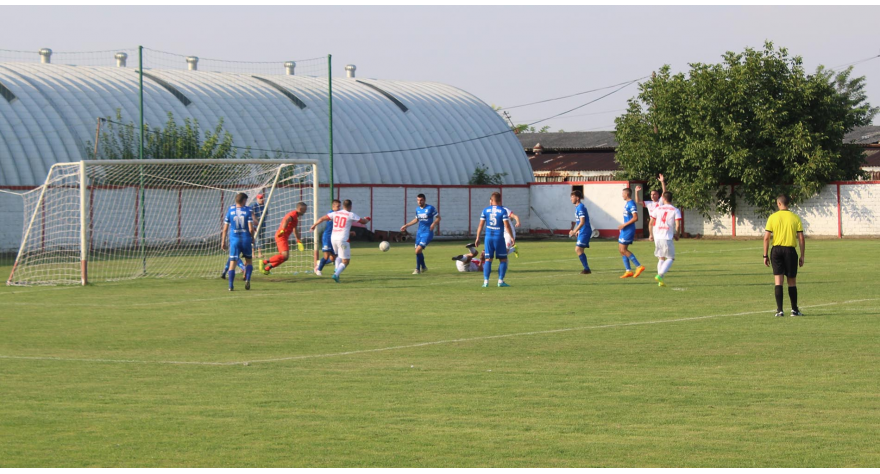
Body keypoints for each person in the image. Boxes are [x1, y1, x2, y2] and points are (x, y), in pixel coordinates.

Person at [763, 194, 805, 317]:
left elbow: (766, 238)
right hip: (790, 251)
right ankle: (794, 310)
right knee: (791, 281)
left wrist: (765, 255)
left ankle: (780, 310)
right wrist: (802, 255)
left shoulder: (773, 217)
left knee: (778, 281)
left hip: (776, 251)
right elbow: (801, 238)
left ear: (779, 204)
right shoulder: (795, 217)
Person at [310, 199, 371, 283]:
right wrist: (368, 218)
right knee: (346, 261)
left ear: (343, 206)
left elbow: (322, 218)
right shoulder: (351, 214)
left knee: (337, 255)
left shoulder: (335, 213)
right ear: (350, 206)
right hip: (343, 239)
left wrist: (314, 225)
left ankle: (336, 269)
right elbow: (363, 222)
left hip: (333, 238)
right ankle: (336, 274)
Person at [473, 192, 515, 287]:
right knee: (503, 259)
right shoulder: (503, 211)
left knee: (488, 259)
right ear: (500, 201)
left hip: (488, 238)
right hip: (498, 238)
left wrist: (477, 238)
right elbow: (507, 225)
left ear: (491, 201)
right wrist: (512, 237)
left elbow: (480, 225)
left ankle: (485, 282)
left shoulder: (485, 210)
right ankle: (500, 281)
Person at [220, 193, 255, 291]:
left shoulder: (230, 210)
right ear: (243, 200)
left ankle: (231, 286)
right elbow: (251, 229)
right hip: (246, 239)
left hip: (234, 240)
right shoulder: (248, 210)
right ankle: (247, 279)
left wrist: (223, 241)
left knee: (232, 263)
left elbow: (225, 229)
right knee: (249, 261)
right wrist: (252, 237)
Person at [261, 202, 307, 275]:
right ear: (300, 209)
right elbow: (286, 220)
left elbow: (295, 230)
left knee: (284, 258)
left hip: (284, 237)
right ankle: (264, 262)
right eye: (305, 210)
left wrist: (298, 241)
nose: (305, 211)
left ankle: (267, 268)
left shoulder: (296, 218)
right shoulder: (293, 214)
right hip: (281, 236)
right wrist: (283, 229)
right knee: (285, 256)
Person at [400, 193, 440, 274]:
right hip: (419, 233)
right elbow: (416, 220)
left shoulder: (430, 208)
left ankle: (417, 269)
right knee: (418, 251)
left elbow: (439, 218)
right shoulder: (417, 209)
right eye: (418, 200)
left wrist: (433, 224)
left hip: (427, 232)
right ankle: (424, 267)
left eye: (421, 200)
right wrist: (406, 225)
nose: (419, 202)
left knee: (418, 250)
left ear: (424, 200)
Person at [650, 191, 681, 287]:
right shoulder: (675, 210)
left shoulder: (658, 209)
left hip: (657, 236)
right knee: (671, 257)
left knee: (661, 257)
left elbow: (651, 223)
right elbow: (678, 224)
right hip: (667, 236)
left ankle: (660, 281)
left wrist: (651, 234)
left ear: (663, 198)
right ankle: (660, 275)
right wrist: (677, 234)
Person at [618, 187, 646, 279]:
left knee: (624, 249)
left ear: (626, 194)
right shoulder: (627, 204)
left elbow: (635, 218)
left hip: (628, 229)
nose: (622, 195)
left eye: (623, 194)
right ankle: (628, 271)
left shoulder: (631, 203)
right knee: (621, 250)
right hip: (625, 229)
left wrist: (624, 225)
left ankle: (639, 266)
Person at [635, 174, 667, 240]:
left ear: (658, 195)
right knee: (657, 243)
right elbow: (638, 201)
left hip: (661, 224)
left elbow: (664, 193)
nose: (652, 196)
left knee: (662, 241)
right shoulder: (649, 203)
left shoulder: (660, 201)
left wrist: (662, 182)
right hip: (653, 225)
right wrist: (636, 192)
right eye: (651, 194)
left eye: (654, 194)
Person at [314, 199, 342, 276]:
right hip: (327, 237)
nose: (339, 208)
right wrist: (314, 225)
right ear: (333, 206)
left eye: (340, 206)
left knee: (333, 258)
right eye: (338, 206)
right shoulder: (330, 214)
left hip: (334, 238)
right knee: (326, 256)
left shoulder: (338, 214)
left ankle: (320, 263)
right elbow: (322, 219)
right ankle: (318, 270)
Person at [569, 190, 592, 274]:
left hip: (585, 230)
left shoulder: (581, 207)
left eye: (572, 197)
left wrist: (574, 231)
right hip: (582, 230)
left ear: (577, 198)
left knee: (578, 249)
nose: (571, 199)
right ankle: (586, 269)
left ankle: (587, 269)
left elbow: (582, 221)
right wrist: (578, 230)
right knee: (579, 249)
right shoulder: (577, 207)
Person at [251, 193, 267, 259]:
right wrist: (255, 220)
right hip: (255, 226)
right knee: (255, 238)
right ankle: (253, 253)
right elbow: (251, 215)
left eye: (262, 198)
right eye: (260, 198)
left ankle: (260, 253)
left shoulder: (264, 206)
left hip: (263, 224)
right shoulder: (254, 206)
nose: (261, 199)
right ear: (257, 199)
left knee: (261, 238)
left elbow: (266, 214)